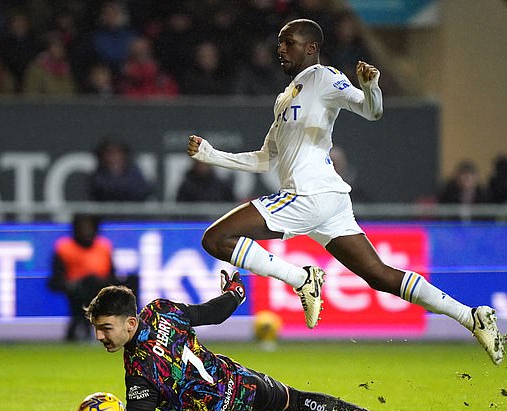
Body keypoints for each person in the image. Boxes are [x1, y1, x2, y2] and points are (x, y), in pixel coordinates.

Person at [185, 19, 503, 365]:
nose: (280, 49)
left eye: (288, 42)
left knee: (216, 239)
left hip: (309, 194)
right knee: (379, 275)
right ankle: (472, 316)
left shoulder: (326, 77)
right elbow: (265, 159)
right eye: (279, 43)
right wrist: (211, 155)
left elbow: (371, 111)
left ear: (311, 48)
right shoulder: (285, 97)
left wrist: (371, 88)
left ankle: (301, 278)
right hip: (327, 201)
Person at [23, 270, 443, 411]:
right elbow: (211, 313)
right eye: (97, 329)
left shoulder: (139, 370)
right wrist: (236, 294)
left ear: (130, 323)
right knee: (297, 400)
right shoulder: (162, 309)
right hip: (241, 383)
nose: (100, 337)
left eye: (106, 328)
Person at [48, 214, 115, 341]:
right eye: (82, 227)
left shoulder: (104, 247)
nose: (86, 231)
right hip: (77, 290)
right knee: (87, 286)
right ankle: (81, 326)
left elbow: (112, 275)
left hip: (101, 289)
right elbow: (56, 280)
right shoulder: (64, 248)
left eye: (89, 227)